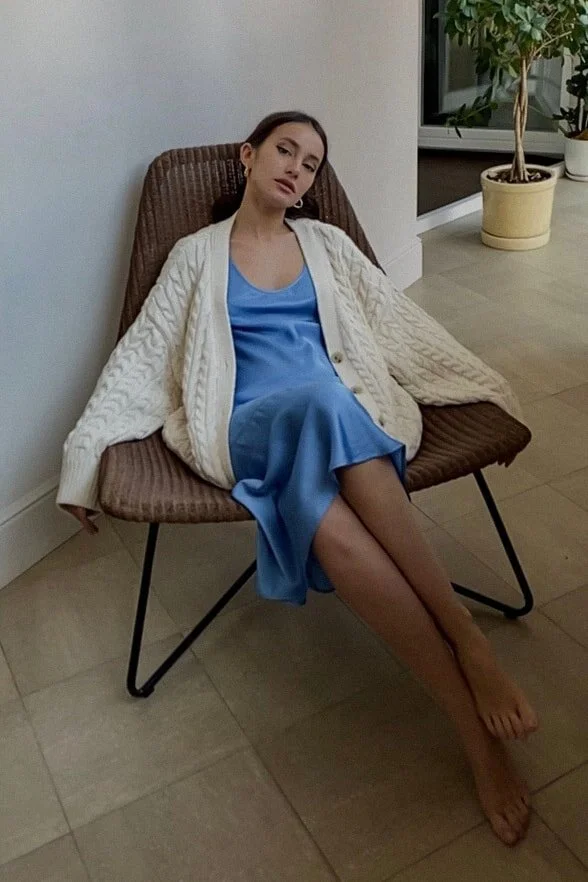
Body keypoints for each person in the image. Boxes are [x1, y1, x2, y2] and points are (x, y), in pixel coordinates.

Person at [57, 110, 538, 846]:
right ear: (249, 156)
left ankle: (477, 738)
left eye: (311, 163)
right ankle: (464, 634)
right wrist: (83, 456)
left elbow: (400, 326)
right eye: (285, 150)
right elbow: (143, 356)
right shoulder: (195, 255)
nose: (296, 168)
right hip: (247, 428)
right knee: (322, 402)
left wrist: (489, 393)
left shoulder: (327, 244)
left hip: (338, 428)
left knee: (335, 530)